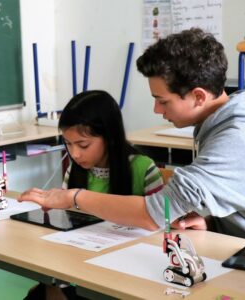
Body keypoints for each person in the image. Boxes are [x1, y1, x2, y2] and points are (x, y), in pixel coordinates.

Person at [19, 27, 245, 242]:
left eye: (162, 101)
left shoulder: (235, 138)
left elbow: (156, 213)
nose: (156, 110)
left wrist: (74, 197)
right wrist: (212, 223)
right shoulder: (228, 119)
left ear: (198, 96)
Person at [24, 90, 164, 300]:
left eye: (83, 145)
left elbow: (163, 225)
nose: (75, 154)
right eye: (68, 144)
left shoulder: (142, 169)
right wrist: (52, 211)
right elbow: (67, 225)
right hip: (80, 268)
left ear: (109, 137)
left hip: (128, 273)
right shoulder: (75, 170)